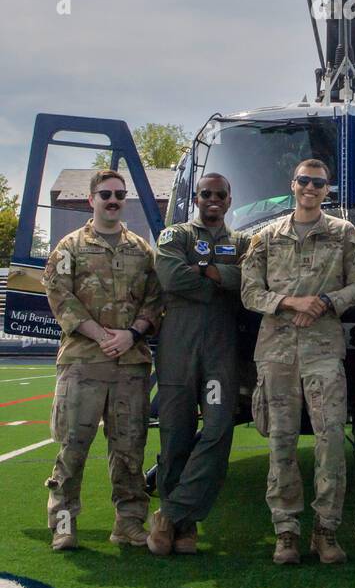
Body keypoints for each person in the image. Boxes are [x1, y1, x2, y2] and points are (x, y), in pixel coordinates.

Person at [241, 159, 355, 565]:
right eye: (304, 181)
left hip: (323, 353)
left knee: (331, 443)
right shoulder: (264, 238)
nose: (310, 188)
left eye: (318, 183)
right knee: (281, 443)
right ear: (292, 185)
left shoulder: (346, 236)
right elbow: (248, 292)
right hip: (276, 354)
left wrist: (327, 303)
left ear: (327, 190)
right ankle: (286, 531)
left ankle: (326, 531)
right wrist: (290, 302)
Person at [42, 169, 162, 551]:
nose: (113, 200)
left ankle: (128, 523)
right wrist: (100, 335)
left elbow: (155, 301)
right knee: (72, 447)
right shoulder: (70, 247)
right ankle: (63, 523)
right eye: (105, 194)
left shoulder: (142, 251)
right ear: (91, 199)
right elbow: (60, 296)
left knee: (129, 450)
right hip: (83, 362)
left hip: (130, 363)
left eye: (119, 195)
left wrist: (131, 334)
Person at [148, 173, 248, 555]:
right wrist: (219, 280)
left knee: (219, 427)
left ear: (229, 199)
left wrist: (204, 272)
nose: (213, 200)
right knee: (175, 432)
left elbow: (248, 278)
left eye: (220, 194)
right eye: (206, 193)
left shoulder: (241, 242)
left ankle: (169, 514)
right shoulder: (175, 236)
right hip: (179, 347)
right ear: (195, 197)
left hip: (219, 350)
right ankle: (184, 526)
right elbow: (172, 277)